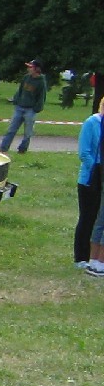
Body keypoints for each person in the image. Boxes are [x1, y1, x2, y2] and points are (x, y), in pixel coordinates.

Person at [0, 57, 47, 153]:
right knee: (11, 129)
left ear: (36, 69)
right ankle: (3, 148)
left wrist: (36, 108)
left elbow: (42, 96)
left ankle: (22, 149)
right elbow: (20, 90)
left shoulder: (41, 81)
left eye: (31, 67)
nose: (28, 69)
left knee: (28, 132)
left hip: (30, 110)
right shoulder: (26, 77)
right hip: (19, 107)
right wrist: (16, 100)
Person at [77, 92, 103, 268]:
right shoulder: (91, 123)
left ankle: (94, 257)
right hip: (90, 178)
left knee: (99, 219)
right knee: (87, 217)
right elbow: (84, 152)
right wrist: (96, 168)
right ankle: (81, 257)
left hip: (102, 176)